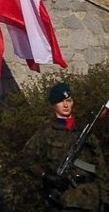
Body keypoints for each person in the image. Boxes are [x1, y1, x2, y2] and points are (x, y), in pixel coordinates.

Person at [24, 82, 105, 211]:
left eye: (68, 100)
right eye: (61, 101)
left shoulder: (85, 130)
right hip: (63, 199)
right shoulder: (47, 131)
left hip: (90, 199)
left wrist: (105, 199)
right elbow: (26, 158)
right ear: (53, 104)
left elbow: (100, 165)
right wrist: (46, 176)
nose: (66, 105)